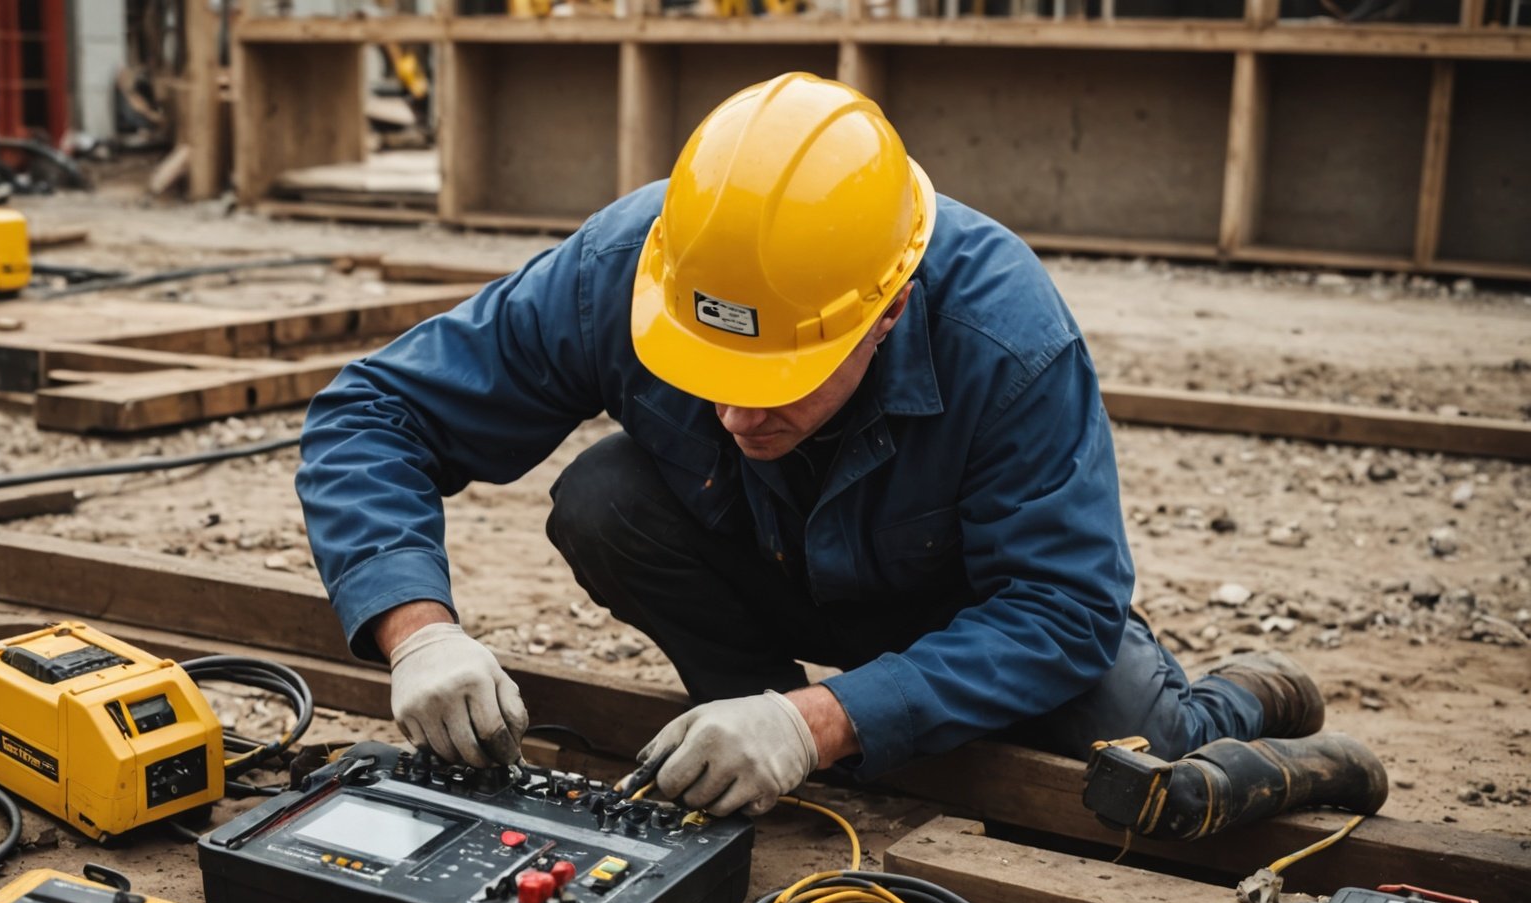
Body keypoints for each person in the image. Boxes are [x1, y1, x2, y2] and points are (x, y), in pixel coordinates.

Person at [295, 72, 1379, 823]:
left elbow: (1061, 607)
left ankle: (1236, 697)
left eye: (778, 383)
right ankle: (744, 723)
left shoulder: (1007, 338)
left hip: (959, 612)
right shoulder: (632, 265)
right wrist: (418, 633)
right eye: (707, 377)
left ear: (890, 312)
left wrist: (822, 720)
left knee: (1138, 749)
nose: (734, 417)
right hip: (763, 563)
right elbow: (373, 413)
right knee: (604, 498)